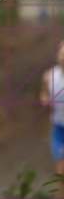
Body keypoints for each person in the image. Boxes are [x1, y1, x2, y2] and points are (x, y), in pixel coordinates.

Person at [39, 41, 64, 179]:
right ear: (57, 56)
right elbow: (43, 94)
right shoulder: (49, 76)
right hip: (59, 127)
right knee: (60, 171)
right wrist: (45, 99)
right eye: (62, 54)